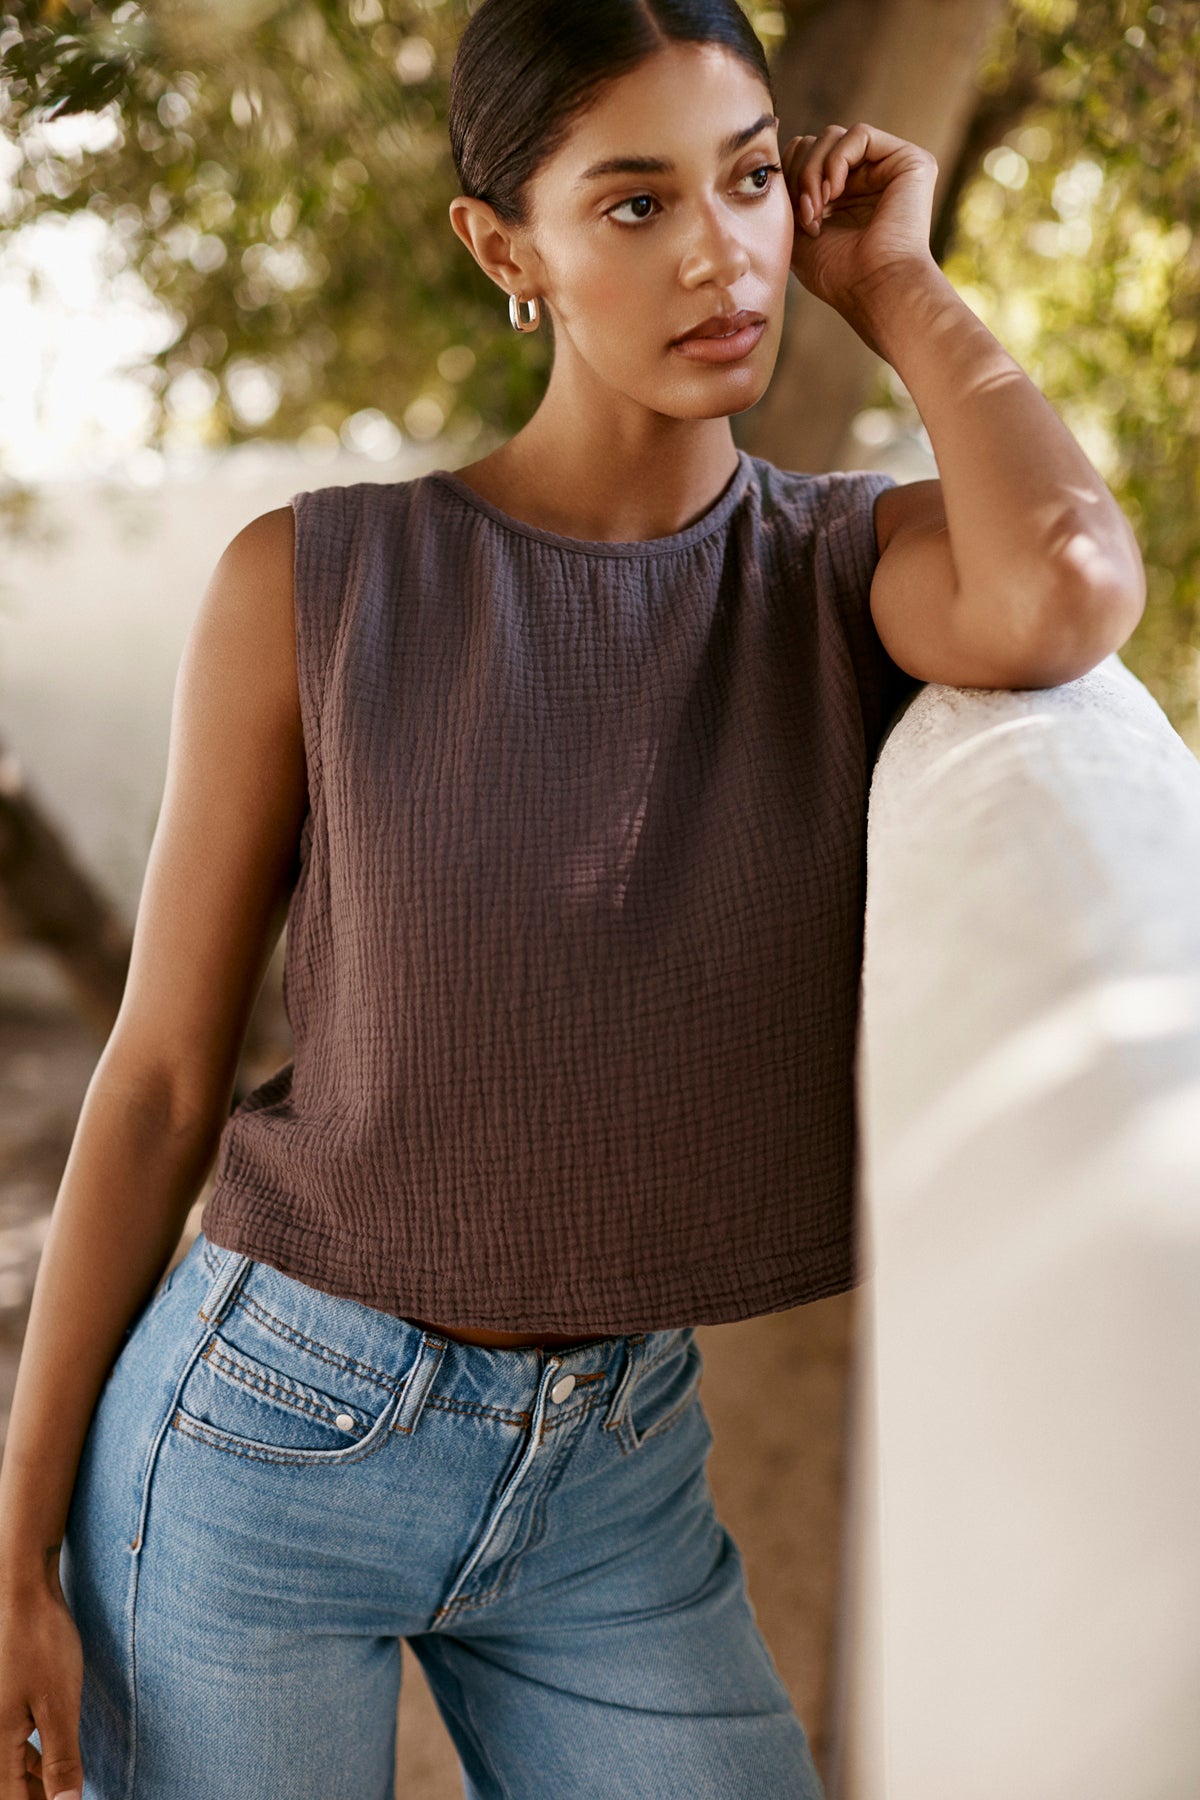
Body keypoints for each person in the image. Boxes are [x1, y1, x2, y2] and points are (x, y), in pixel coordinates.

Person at [0, 0, 1146, 1795]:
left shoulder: (846, 572)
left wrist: (904, 286)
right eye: (634, 204)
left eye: (753, 179)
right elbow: (154, 1083)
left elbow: (1069, 585)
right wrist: (12, 1544)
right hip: (260, 1441)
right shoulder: (313, 585)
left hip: (612, 1470)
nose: (722, 253)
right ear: (501, 245)